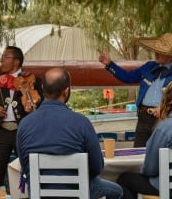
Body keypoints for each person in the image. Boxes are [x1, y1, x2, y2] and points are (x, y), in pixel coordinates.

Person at [16, 68, 123, 199]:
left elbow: (25, 165)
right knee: (118, 191)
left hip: (39, 192)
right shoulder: (82, 123)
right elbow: (97, 167)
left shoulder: (24, 124)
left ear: (43, 88)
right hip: (77, 191)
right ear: (66, 91)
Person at [116, 79, 172, 199]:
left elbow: (150, 169)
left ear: (168, 99)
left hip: (170, 188)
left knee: (124, 180)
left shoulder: (166, 127)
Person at [99, 33, 172, 147]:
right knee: (137, 154)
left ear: (170, 55)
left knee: (159, 155)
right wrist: (109, 64)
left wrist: (166, 109)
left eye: (160, 51)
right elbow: (128, 77)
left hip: (164, 120)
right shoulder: (149, 66)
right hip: (143, 118)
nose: (155, 53)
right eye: (156, 50)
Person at [0, 46, 43, 188]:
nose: (1, 61)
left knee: (29, 168)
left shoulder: (32, 80)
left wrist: (33, 107)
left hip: (22, 131)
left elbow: (42, 104)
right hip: (1, 133)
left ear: (16, 61)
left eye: (4, 57)